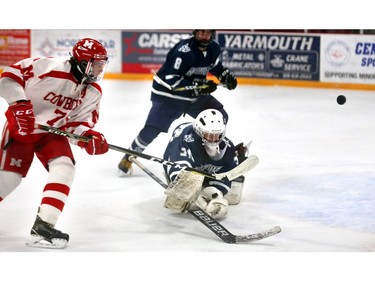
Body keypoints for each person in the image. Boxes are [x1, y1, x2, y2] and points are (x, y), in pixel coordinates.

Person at [0, 38, 110, 249]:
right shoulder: (48, 68)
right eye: (95, 64)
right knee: (9, 179)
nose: (99, 69)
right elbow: (8, 77)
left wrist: (88, 137)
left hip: (52, 134)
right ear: (81, 61)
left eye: (102, 64)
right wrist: (19, 103)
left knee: (65, 167)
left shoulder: (93, 91)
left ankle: (43, 227)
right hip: (23, 128)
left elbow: (76, 125)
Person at [118, 30, 238, 175]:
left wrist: (225, 76)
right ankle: (129, 156)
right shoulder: (182, 51)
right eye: (201, 33)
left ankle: (209, 152)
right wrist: (200, 87)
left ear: (212, 34)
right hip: (169, 97)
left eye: (207, 33)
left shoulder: (214, 48)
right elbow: (172, 79)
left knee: (220, 116)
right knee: (151, 130)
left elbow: (215, 66)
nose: (204, 36)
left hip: (193, 97)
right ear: (195, 33)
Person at [162, 109, 248, 219]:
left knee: (233, 198)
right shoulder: (187, 139)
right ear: (199, 131)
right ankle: (192, 192)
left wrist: (217, 195)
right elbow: (176, 163)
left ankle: (204, 192)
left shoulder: (227, 146)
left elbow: (226, 175)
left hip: (204, 169)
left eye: (217, 135)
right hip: (184, 164)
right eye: (209, 135)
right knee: (182, 193)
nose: (213, 140)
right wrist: (184, 187)